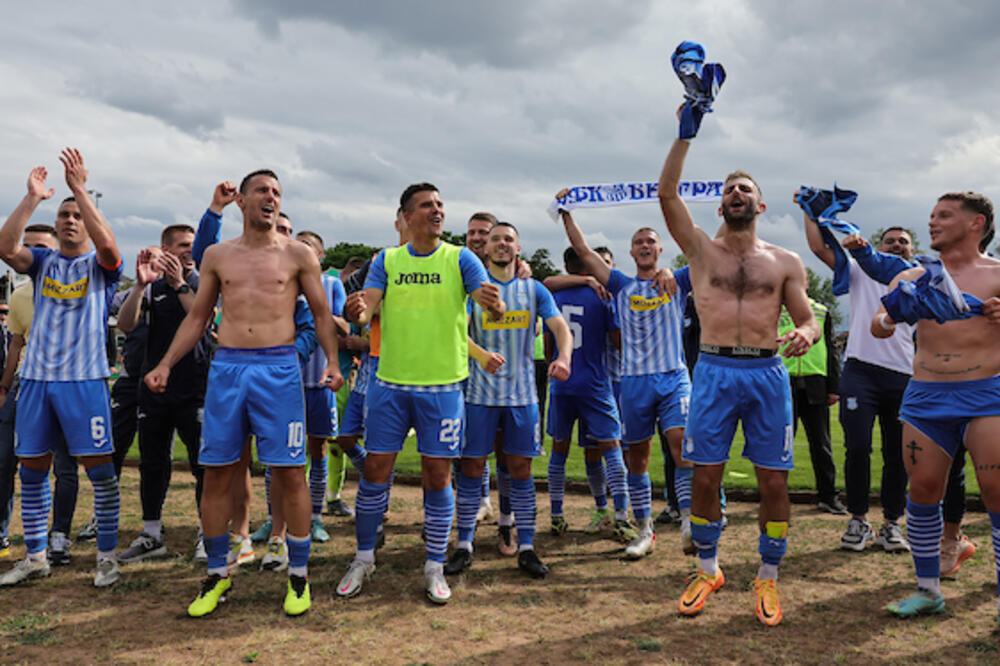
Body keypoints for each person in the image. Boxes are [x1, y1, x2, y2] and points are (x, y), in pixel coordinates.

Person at [145, 168, 342, 617]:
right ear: (244, 201)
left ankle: (298, 576)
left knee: (290, 472)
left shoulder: (297, 255)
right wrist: (164, 364)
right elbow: (197, 317)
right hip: (229, 367)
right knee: (218, 471)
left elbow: (320, 312)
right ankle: (217, 574)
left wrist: (331, 362)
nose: (271, 198)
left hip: (278, 368)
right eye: (262, 191)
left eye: (277, 192)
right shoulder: (218, 254)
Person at [658, 133, 819, 626]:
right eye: (730, 189)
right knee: (704, 474)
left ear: (760, 204)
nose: (737, 194)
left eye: (745, 189)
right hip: (713, 369)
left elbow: (807, 318)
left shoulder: (786, 261)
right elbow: (667, 194)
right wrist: (685, 135)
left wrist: (808, 334)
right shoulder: (700, 251)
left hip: (766, 373)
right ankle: (708, 569)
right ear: (721, 204)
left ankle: (767, 576)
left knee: (774, 480)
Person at [336, 182, 504, 605]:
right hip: (389, 386)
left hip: (443, 387)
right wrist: (357, 310)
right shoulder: (387, 260)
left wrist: (495, 305)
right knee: (375, 472)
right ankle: (363, 558)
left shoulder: (461, 258)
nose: (437, 210)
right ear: (407, 216)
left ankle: (433, 566)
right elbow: (366, 308)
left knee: (437, 476)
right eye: (427, 205)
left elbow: (490, 306)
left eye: (440, 204)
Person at [872, 191, 1000, 620]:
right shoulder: (913, 275)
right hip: (926, 395)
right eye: (931, 215)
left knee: (997, 493)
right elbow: (878, 327)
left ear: (976, 223)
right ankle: (928, 590)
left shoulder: (997, 274)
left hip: (987, 394)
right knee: (923, 492)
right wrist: (893, 312)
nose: (933, 222)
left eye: (944, 215)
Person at [0, 151, 125, 588]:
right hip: (35, 382)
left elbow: (109, 248)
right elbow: (5, 249)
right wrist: (33, 198)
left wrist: (79, 191)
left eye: (77, 215)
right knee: (31, 470)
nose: (70, 220)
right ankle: (35, 556)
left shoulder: (101, 268)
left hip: (84, 382)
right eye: (64, 216)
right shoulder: (42, 263)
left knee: (101, 474)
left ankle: (106, 558)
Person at [557, 197, 689, 560]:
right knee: (638, 459)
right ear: (631, 252)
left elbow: (703, 249)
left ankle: (691, 520)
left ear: (661, 249)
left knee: (681, 447)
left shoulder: (677, 281)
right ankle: (645, 531)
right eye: (638, 242)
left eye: (651, 241)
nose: (645, 246)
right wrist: (566, 212)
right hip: (633, 381)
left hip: (673, 377)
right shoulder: (620, 284)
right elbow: (583, 250)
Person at [445, 222, 571, 579]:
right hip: (479, 397)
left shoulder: (533, 289)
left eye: (508, 239)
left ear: (519, 248)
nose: (501, 244)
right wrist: (481, 355)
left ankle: (527, 547)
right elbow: (455, 332)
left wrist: (564, 358)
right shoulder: (473, 291)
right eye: (495, 239)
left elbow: (559, 327)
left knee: (521, 472)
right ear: (486, 248)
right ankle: (465, 545)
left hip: (522, 398)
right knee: (471, 470)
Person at [803, 216, 915, 553]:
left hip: (904, 374)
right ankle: (858, 520)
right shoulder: (860, 269)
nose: (896, 245)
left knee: (898, 454)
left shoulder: (922, 280)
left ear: (912, 250)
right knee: (857, 448)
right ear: (878, 248)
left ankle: (892, 524)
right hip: (860, 371)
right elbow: (820, 246)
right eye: (889, 241)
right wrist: (811, 213)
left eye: (902, 241)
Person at [116, 225, 209, 562]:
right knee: (152, 462)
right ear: (165, 249)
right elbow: (126, 325)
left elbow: (202, 317)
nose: (189, 251)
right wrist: (140, 286)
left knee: (203, 464)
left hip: (195, 387)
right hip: (153, 387)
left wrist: (179, 284)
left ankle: (207, 533)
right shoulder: (152, 286)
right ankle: (152, 535)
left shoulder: (202, 281)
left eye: (192, 245)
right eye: (182, 245)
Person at [542, 247, 632, 540]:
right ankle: (621, 517)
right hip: (595, 383)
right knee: (612, 449)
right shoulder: (602, 298)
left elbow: (547, 348)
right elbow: (618, 343)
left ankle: (556, 515)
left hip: (562, 383)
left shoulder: (553, 298)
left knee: (559, 452)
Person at [0, 225, 72, 562]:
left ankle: (58, 536)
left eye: (40, 247)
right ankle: (4, 536)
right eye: (26, 247)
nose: (30, 253)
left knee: (65, 468)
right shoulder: (19, 295)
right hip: (24, 387)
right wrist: (4, 387)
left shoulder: (75, 291)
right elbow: (16, 343)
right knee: (5, 463)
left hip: (67, 387)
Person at [778, 298, 845, 514]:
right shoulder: (773, 307)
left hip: (815, 383)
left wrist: (834, 386)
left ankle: (828, 496)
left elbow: (832, 347)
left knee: (821, 444)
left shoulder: (821, 310)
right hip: (781, 382)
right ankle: (776, 497)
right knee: (781, 445)